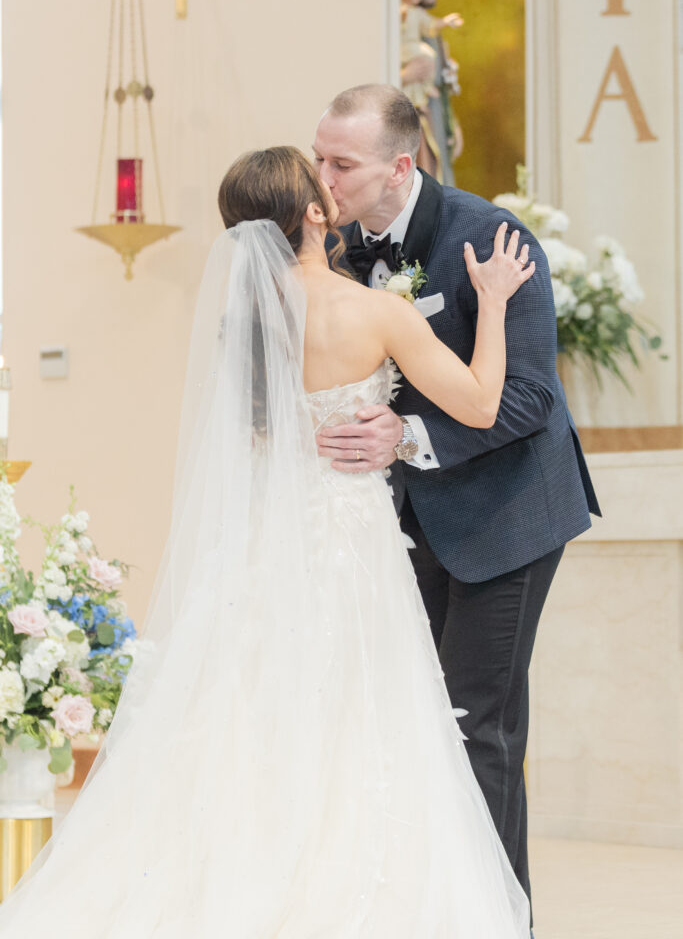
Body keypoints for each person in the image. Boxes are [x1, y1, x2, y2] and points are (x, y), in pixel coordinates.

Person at [0, 146, 534, 935]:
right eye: (321, 186)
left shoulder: (241, 322)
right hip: (350, 542)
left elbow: (250, 445)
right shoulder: (373, 310)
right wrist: (490, 303)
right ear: (313, 213)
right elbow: (484, 404)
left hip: (260, 544)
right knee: (359, 718)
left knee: (251, 717)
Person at [313, 84, 601, 924]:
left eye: (342, 164)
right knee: (417, 726)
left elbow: (527, 401)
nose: (322, 177)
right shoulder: (334, 248)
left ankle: (498, 919)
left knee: (477, 729)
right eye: (320, 156)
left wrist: (401, 437)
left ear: (399, 167)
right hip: (402, 526)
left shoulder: (490, 240)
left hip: (504, 517)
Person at [400, 0, 463, 186]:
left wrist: (450, 124)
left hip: (434, 118)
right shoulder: (399, 21)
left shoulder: (427, 23)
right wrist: (405, 75)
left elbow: (441, 82)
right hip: (410, 124)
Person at [400, 0, 463, 127]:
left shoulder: (420, 17)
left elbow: (431, 25)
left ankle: (425, 90)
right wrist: (404, 77)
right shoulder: (399, 12)